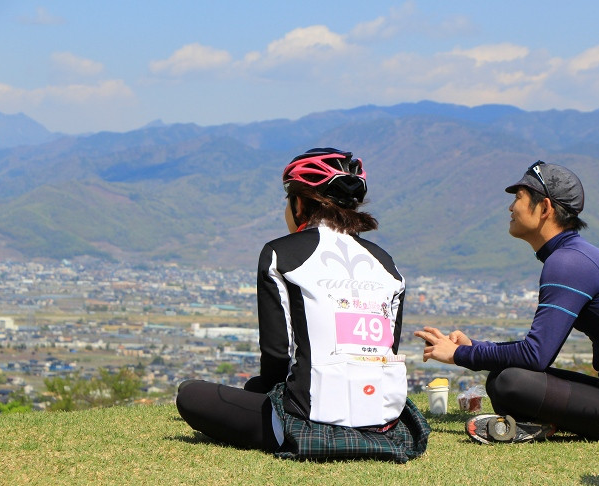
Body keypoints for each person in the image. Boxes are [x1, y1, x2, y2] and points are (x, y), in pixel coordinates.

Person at [415, 160, 599, 445]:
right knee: (503, 378)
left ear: (545, 208)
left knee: (508, 382)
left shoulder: (568, 264)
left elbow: (536, 355)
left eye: (518, 198)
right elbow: (536, 351)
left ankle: (537, 424)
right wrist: (475, 348)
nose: (510, 208)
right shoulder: (577, 256)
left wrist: (459, 356)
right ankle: (538, 425)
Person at [177, 147, 430, 462]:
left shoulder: (280, 254)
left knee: (191, 394)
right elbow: (386, 349)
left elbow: (276, 354)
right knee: (256, 387)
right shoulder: (387, 263)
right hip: (384, 422)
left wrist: (267, 392)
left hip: (307, 419)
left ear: (298, 203)